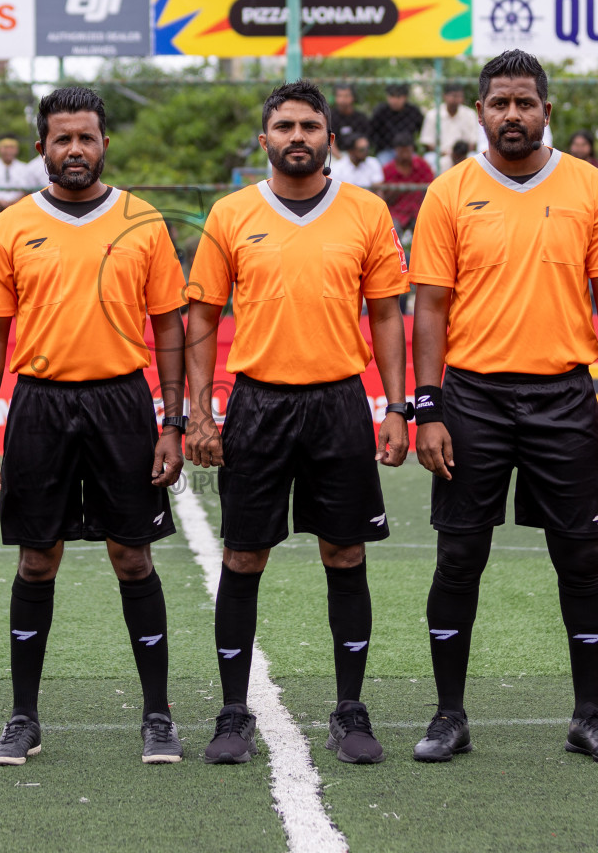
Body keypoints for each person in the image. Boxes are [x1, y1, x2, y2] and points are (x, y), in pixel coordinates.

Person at [408, 49, 598, 766]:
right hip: (472, 398)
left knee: (581, 559)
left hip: (564, 396)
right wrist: (427, 409)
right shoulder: (449, 192)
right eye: (501, 103)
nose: (513, 114)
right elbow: (430, 307)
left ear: (547, 111)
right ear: (480, 111)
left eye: (526, 103)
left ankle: (590, 717)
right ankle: (449, 716)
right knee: (458, 557)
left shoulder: (591, 188)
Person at [186, 80, 412, 767]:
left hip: (339, 402)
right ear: (265, 139)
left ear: (329, 139)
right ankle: (233, 712)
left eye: (310, 126)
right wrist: (200, 411)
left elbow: (386, 315)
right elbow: (201, 317)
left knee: (345, 554)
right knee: (243, 556)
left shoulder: (366, 212)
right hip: (258, 405)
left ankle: (350, 709)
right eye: (284, 126)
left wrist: (396, 406)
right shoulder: (230, 214)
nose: (297, 136)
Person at [0, 86, 188, 767]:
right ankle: (23, 719)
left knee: (133, 556)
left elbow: (169, 327)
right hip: (39, 405)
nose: (74, 150)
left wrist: (172, 422)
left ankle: (158, 716)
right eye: (62, 139)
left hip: (122, 403)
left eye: (86, 137)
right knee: (37, 558)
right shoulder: (12, 225)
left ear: (104, 144)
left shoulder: (142, 221)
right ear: (41, 148)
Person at [420, 82, 481, 171]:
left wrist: (461, 153)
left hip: (463, 154)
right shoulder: (433, 114)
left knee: (475, 157)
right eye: (453, 96)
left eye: (459, 96)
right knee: (430, 158)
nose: (456, 99)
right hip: (441, 154)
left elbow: (473, 142)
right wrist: (446, 153)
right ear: (444, 96)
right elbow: (428, 143)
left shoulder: (469, 114)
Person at [0, 133, 43, 219]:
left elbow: (26, 190)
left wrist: (14, 201)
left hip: (17, 201)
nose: (9, 151)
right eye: (5, 147)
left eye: (12, 147)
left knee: (26, 205)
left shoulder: (24, 168)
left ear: (17, 149)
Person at [383, 131, 434, 232]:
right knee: (392, 229)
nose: (405, 155)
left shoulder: (421, 165)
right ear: (396, 151)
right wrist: (396, 190)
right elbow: (385, 199)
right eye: (402, 151)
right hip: (396, 212)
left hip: (418, 211)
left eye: (407, 151)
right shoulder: (388, 169)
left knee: (427, 227)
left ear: (412, 150)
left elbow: (431, 189)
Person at [369, 83, 424, 162]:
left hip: (407, 150)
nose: (394, 100)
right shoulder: (380, 111)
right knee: (383, 163)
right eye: (391, 96)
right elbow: (372, 132)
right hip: (386, 150)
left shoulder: (413, 111)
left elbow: (422, 130)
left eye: (398, 97)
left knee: (418, 164)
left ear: (405, 97)